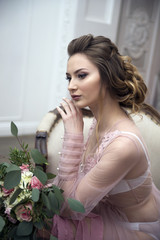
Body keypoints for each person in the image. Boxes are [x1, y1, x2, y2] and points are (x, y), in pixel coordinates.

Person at [51, 34, 160, 240]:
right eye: (69, 77)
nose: (71, 86)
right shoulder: (99, 122)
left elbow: (69, 209)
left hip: (138, 229)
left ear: (107, 77)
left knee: (54, 224)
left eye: (81, 75)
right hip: (109, 214)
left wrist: (73, 137)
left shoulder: (123, 145)